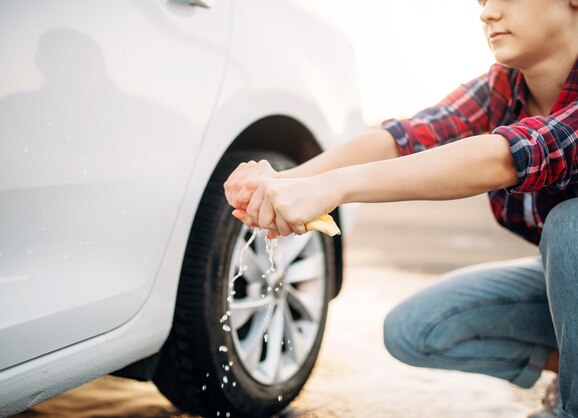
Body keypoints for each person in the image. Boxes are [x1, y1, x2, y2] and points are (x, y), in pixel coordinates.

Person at [223, 0, 578, 416]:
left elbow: (513, 155)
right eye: (481, 0)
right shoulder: (503, 88)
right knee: (415, 328)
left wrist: (333, 188)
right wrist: (287, 182)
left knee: (569, 226)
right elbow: (404, 138)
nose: (486, 13)